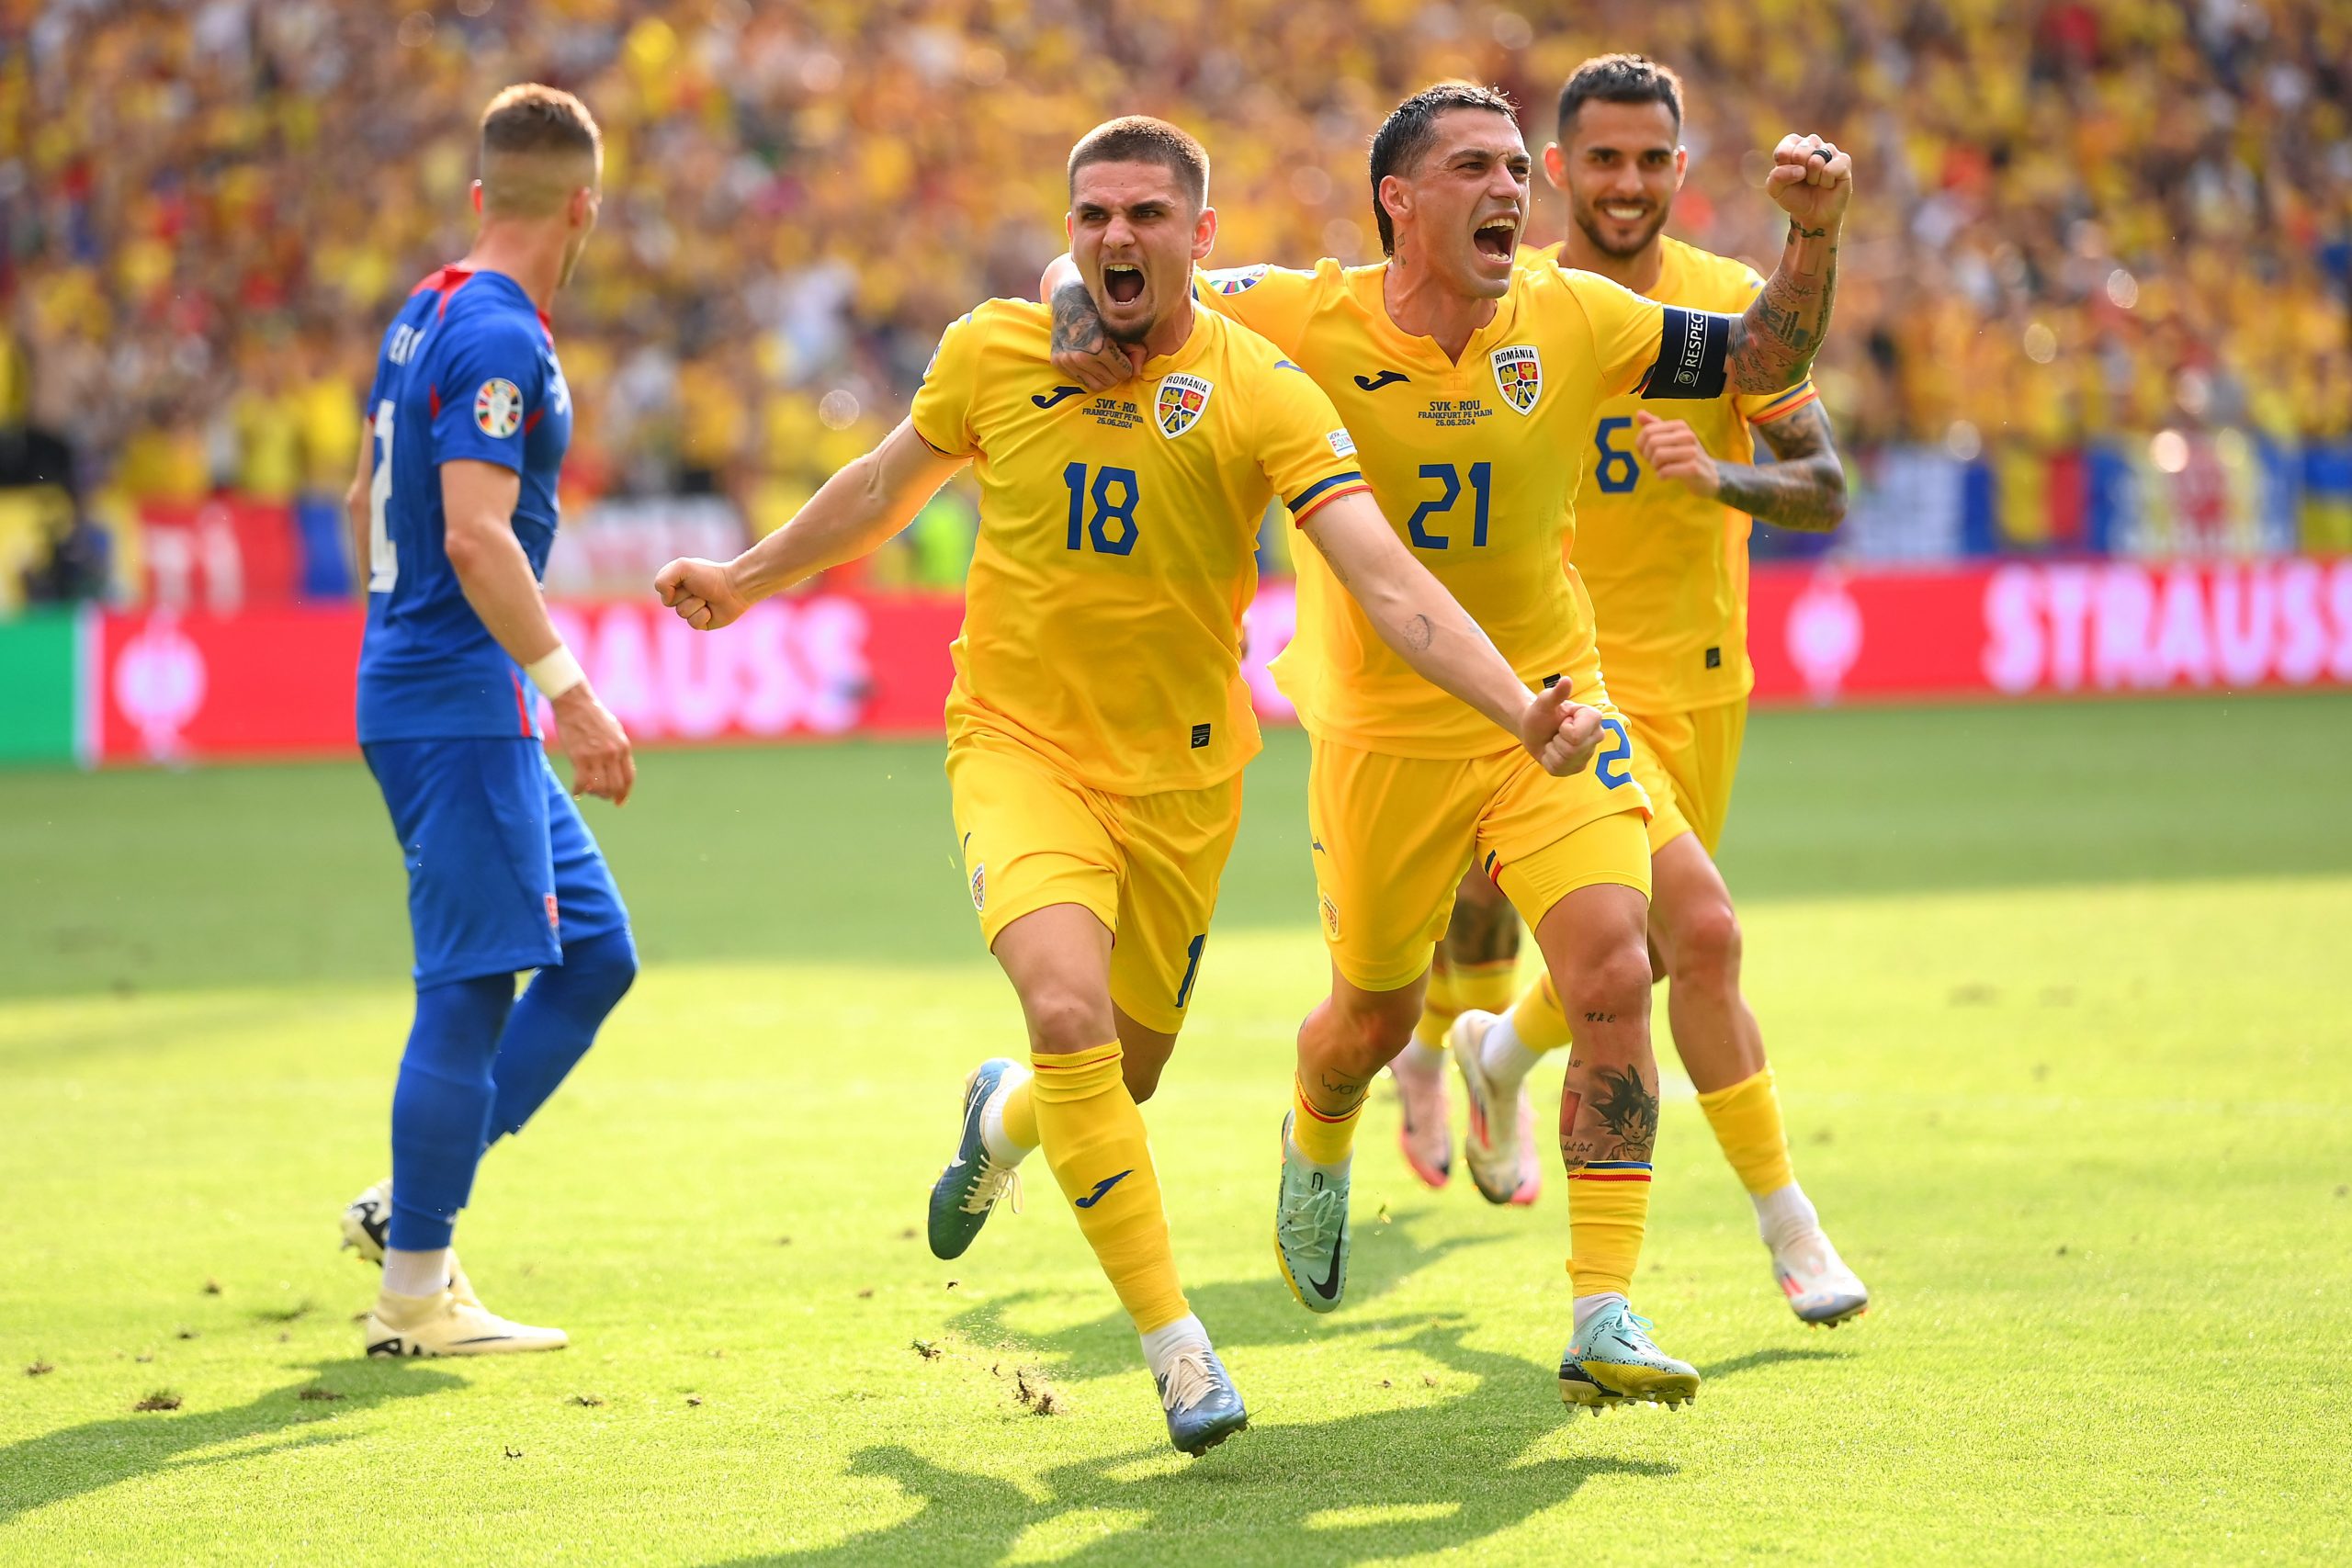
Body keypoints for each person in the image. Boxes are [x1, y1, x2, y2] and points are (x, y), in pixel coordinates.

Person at [653, 116, 1603, 1456]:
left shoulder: (1265, 389)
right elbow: (882, 487)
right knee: (1061, 1006)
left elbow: (1385, 580)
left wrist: (1518, 708)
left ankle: (1005, 1120)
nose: (1115, 237)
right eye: (1092, 215)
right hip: (1019, 748)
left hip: (1183, 783)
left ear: (1201, 240)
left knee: (1120, 1069)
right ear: (1069, 232)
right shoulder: (993, 350)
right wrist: (745, 580)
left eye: (1148, 215)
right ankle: (1180, 1354)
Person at [1048, 82, 1850, 1412]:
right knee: (1366, 1016)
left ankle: (1604, 1306)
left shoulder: (1577, 314)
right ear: (1399, 204)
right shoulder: (1300, 313)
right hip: (1385, 733)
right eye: (1472, 170)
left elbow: (1763, 361)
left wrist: (1812, 238)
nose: (1508, 192)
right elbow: (1096, 265)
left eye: (1511, 171)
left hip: (1552, 711)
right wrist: (1085, 317)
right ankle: (1320, 1131)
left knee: (1613, 964)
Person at [1416, 55, 1871, 1329]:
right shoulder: (1514, 308)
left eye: (1649, 160)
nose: (1625, 182)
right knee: (1708, 936)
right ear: (1555, 171)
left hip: (1706, 682)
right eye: (1600, 159)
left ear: (1680, 170)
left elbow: (1827, 487)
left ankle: (1496, 1052)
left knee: (1661, 950)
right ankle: (1792, 1230)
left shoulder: (1730, 308)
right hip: (1569, 694)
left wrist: (1719, 479)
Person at [336, 85, 638, 1359]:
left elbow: (364, 496)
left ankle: (415, 1199)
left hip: (439, 689)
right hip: (464, 702)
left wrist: (399, 637)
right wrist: (569, 688)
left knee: (596, 953)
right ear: (585, 205)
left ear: (481, 198)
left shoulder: (426, 310)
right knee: (470, 984)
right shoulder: (502, 337)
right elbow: (471, 533)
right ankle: (414, 1288)